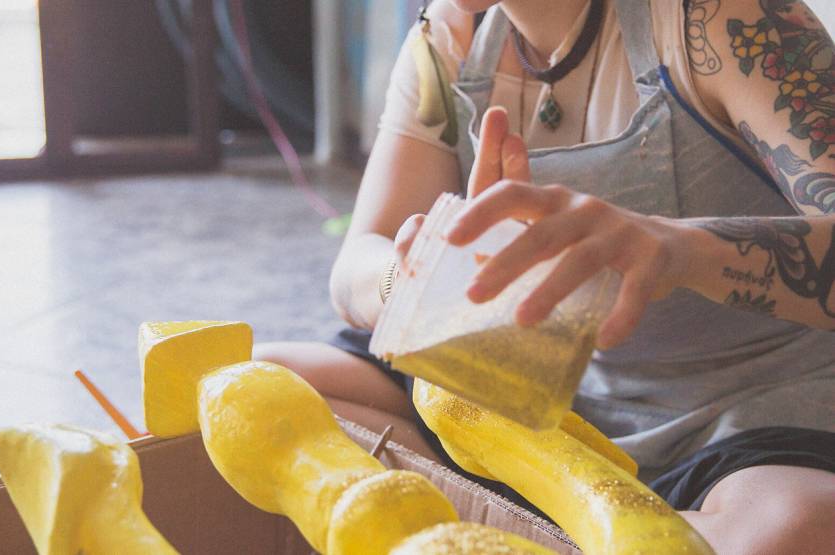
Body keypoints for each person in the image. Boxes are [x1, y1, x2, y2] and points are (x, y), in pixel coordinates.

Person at [256, 0, 835, 551]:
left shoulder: (718, 19)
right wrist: (412, 279)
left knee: (791, 531)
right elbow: (356, 262)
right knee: (262, 392)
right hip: (545, 412)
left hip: (748, 417)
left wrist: (682, 251)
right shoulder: (446, 40)